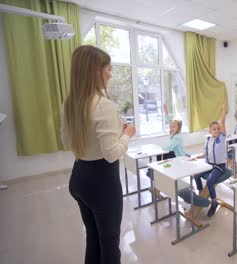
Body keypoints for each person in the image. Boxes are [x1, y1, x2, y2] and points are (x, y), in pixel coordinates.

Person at [61, 45, 136, 264]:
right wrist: (127, 134)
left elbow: (67, 142)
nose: (110, 74)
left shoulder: (70, 103)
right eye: (108, 69)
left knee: (93, 237)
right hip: (102, 183)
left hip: (79, 179)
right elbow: (112, 154)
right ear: (96, 70)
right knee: (110, 243)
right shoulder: (103, 104)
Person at [192, 102, 227, 217]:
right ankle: (200, 193)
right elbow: (205, 153)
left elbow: (222, 122)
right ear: (210, 131)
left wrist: (223, 111)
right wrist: (197, 156)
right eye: (214, 129)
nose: (217, 131)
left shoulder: (221, 139)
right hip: (209, 164)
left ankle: (214, 201)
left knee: (210, 181)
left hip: (219, 166)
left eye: (218, 129)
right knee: (196, 175)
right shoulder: (208, 140)